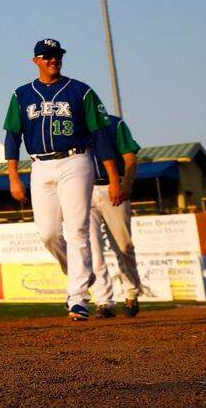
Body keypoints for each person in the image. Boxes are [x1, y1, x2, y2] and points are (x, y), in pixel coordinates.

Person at [4, 38, 122, 321]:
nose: (53, 59)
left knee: (77, 231)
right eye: (46, 56)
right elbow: (12, 136)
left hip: (75, 161)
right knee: (47, 234)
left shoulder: (81, 91)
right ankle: (81, 273)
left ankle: (78, 297)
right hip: (40, 165)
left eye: (56, 55)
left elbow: (101, 136)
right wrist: (13, 176)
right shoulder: (22, 95)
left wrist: (114, 178)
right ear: (35, 60)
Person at [88, 115, 143, 319]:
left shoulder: (113, 123)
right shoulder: (72, 125)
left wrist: (126, 184)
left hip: (113, 186)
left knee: (123, 246)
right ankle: (104, 301)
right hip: (84, 189)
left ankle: (131, 292)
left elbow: (130, 158)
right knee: (92, 248)